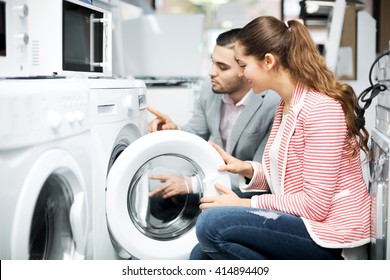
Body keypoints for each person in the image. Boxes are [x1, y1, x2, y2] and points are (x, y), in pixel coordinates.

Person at [190, 16, 371, 260]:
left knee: (211, 224)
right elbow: (287, 181)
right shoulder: (287, 106)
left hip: (329, 234)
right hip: (300, 223)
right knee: (200, 254)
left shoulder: (321, 109)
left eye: (243, 65)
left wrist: (244, 205)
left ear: (268, 61)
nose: (242, 75)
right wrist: (246, 169)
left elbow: (314, 205)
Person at [146, 28, 280, 198]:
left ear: (245, 70)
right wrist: (173, 129)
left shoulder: (272, 103)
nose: (211, 72)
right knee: (158, 196)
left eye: (222, 67)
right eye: (213, 62)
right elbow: (197, 133)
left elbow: (261, 175)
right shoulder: (210, 89)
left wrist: (192, 184)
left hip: (246, 193)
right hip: (211, 177)